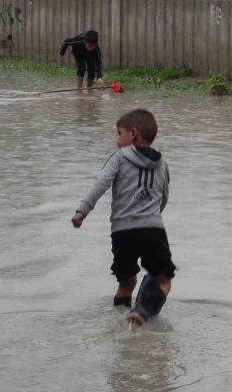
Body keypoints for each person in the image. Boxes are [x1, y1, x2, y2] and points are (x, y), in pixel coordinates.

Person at [71, 109, 175, 326]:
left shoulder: (118, 157)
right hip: (152, 228)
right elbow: (164, 195)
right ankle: (143, 312)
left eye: (118, 133)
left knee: (126, 283)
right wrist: (154, 215)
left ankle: (121, 325)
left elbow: (101, 183)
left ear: (133, 134)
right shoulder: (162, 162)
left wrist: (82, 211)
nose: (116, 140)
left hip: (121, 232)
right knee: (163, 280)